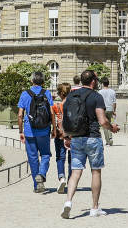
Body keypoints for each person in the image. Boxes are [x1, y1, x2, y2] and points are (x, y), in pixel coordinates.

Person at [60, 70, 114, 218]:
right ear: (93, 82)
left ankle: (68, 202)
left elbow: (65, 118)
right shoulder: (96, 97)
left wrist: (66, 136)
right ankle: (94, 208)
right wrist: (112, 128)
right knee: (95, 171)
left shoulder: (71, 95)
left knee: (75, 172)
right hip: (92, 138)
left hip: (76, 137)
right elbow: (103, 121)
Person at [17, 72, 55, 192]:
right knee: (45, 155)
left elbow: (19, 115)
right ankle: (42, 173)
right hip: (44, 130)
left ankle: (37, 185)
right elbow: (52, 113)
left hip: (29, 131)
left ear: (31, 81)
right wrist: (54, 128)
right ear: (43, 82)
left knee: (33, 158)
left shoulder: (25, 94)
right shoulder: (46, 93)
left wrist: (20, 131)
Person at [50, 82, 71, 193]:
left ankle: (62, 177)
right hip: (72, 134)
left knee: (60, 157)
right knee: (72, 158)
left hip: (60, 133)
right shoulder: (73, 104)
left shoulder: (55, 106)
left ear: (60, 93)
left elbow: (53, 120)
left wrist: (54, 130)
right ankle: (72, 181)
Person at [98, 76, 117, 146]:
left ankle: (108, 140)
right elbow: (114, 102)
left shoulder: (100, 92)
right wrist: (114, 110)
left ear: (103, 84)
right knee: (110, 123)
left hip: (103, 109)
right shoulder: (112, 91)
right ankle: (110, 138)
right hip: (110, 109)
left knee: (104, 125)